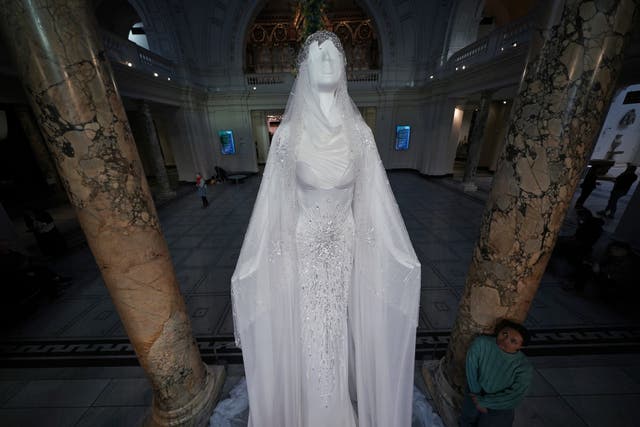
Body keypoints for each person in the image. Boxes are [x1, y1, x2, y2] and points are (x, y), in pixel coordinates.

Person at [231, 31, 421, 427]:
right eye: (319, 57)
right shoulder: (286, 136)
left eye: (336, 56)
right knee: (309, 330)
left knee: (338, 330)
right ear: (303, 69)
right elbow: (271, 207)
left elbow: (377, 204)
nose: (329, 63)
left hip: (344, 248)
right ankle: (309, 409)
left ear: (345, 69)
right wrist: (252, 265)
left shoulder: (361, 136)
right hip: (303, 248)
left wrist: (401, 258)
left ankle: (338, 408)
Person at [460, 320, 533, 427]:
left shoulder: (523, 367)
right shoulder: (481, 343)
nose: (504, 341)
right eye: (504, 334)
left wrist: (484, 402)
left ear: (520, 347)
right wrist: (476, 395)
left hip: (500, 405)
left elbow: (515, 395)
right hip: (474, 393)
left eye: (513, 341)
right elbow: (471, 368)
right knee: (466, 421)